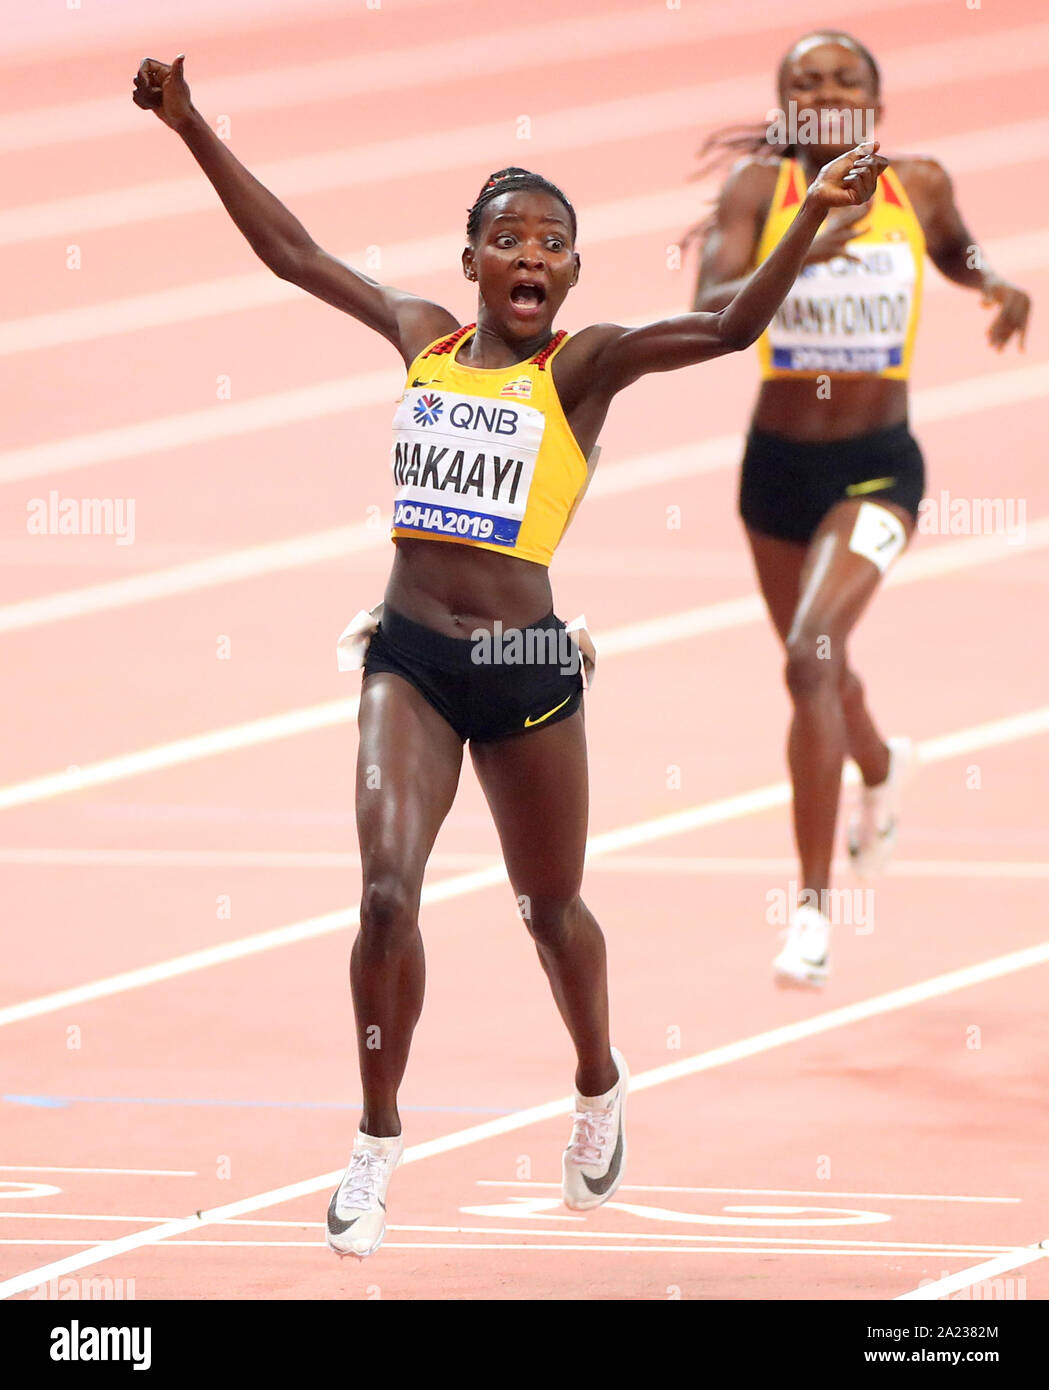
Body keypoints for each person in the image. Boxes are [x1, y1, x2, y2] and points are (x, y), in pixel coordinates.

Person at [133, 52, 886, 1256]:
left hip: (529, 673)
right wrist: (189, 125)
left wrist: (810, 215)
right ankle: (377, 1137)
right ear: (471, 259)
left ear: (572, 272)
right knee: (385, 896)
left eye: (550, 244)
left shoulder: (580, 366)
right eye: (508, 239)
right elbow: (293, 253)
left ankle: (595, 1079)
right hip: (410, 661)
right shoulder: (422, 337)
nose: (529, 258)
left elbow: (730, 323)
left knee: (549, 912)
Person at [689, 30, 1030, 989]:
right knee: (819, 676)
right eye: (806, 81)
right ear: (786, 105)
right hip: (773, 476)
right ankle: (880, 768)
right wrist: (801, 248)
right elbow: (711, 302)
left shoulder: (914, 184)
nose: (826, 91)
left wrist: (996, 283)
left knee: (809, 657)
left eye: (845, 79)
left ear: (875, 106)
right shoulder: (760, 195)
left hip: (877, 471)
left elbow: (955, 251)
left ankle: (808, 912)